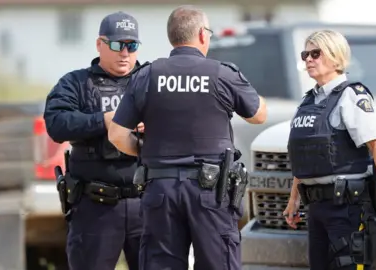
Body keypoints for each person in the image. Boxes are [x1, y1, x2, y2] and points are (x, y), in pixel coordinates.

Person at [107, 5, 267, 270]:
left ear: (173, 37)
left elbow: (117, 134)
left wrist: (146, 153)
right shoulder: (221, 74)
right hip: (210, 193)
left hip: (160, 190)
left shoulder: (147, 75)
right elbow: (258, 115)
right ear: (203, 35)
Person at [282, 30, 376, 270]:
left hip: (346, 207)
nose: (309, 60)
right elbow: (305, 157)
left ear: (335, 57)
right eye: (305, 55)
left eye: (316, 53)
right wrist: (293, 199)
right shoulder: (308, 102)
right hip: (315, 208)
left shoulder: (351, 96)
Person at [43, 11, 147, 270]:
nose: (125, 53)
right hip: (95, 207)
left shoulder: (151, 80)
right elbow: (56, 123)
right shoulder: (76, 83)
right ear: (100, 44)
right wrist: (105, 121)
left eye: (131, 45)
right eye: (117, 45)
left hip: (147, 205)